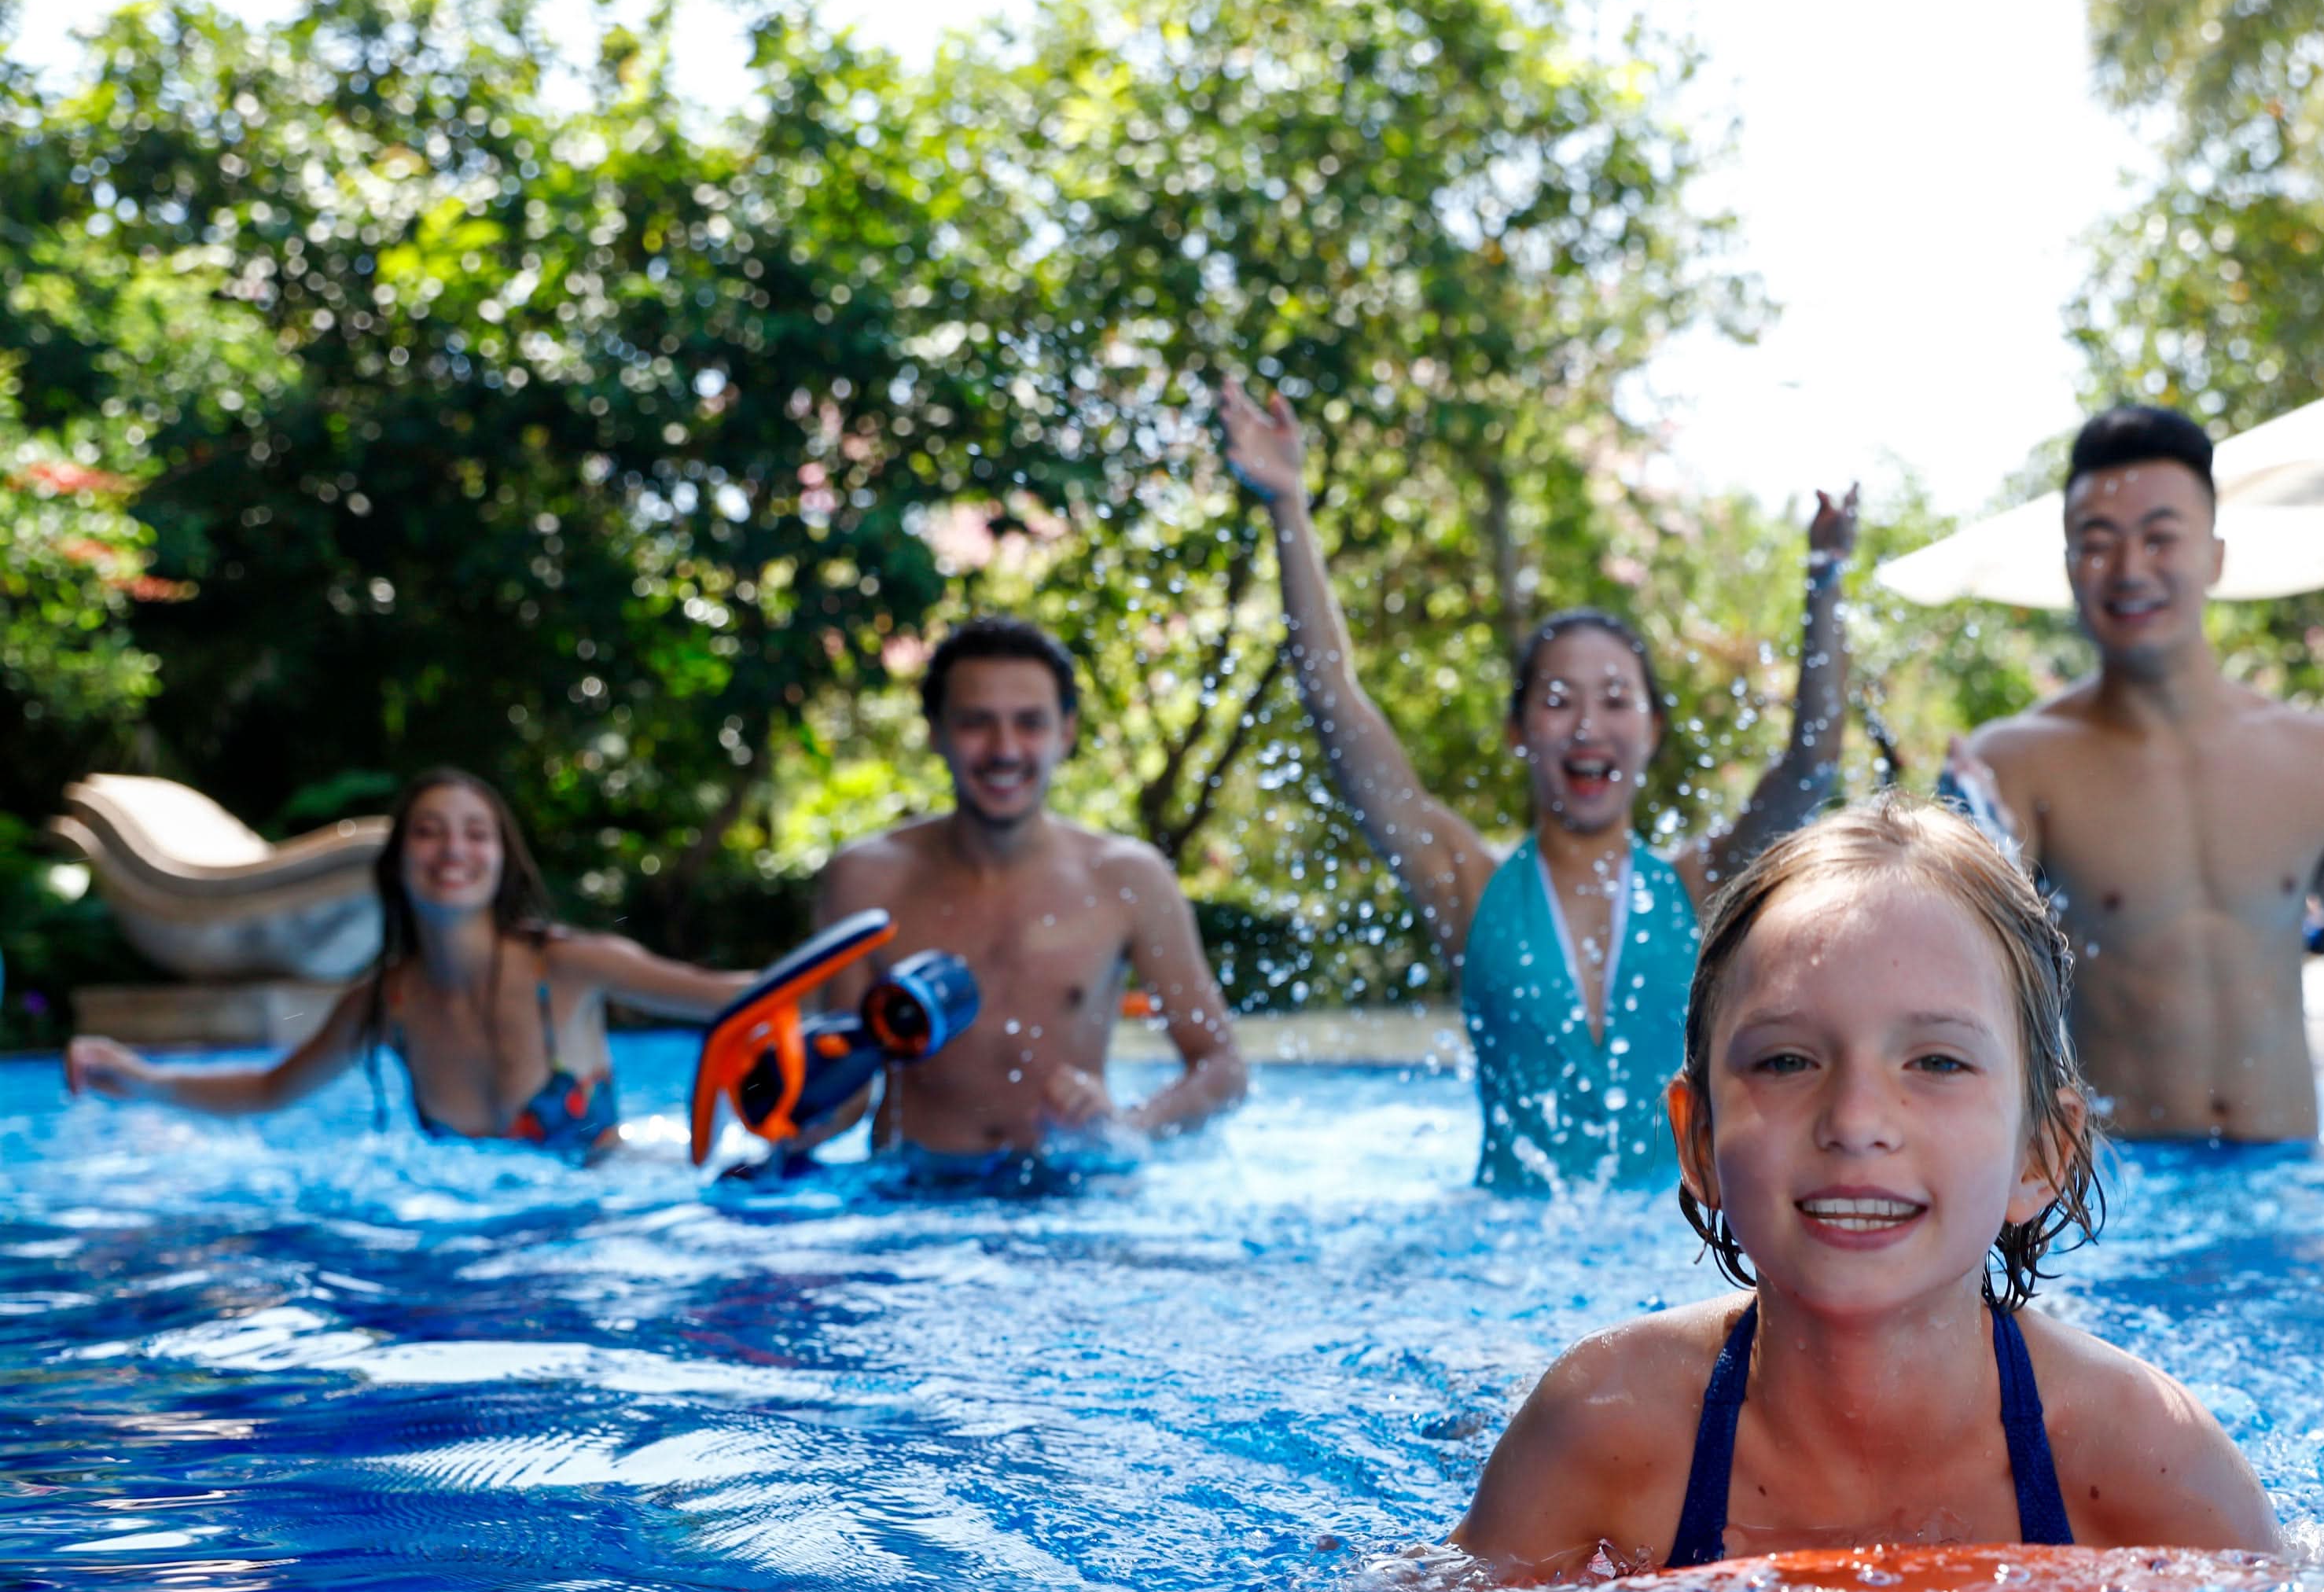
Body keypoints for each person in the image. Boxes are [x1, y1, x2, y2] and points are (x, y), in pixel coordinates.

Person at [1456, 797, 2280, 1580]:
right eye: (1786, 1061)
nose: (1855, 1120)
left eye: (1936, 1062)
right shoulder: (1602, 1431)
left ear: (2040, 1152)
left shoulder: (2148, 1464)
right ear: (1699, 1139)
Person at [1218, 376, 1856, 1193]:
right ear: (1519, 733)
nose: (1588, 726)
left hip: (1681, 1253)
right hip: (1503, 1252)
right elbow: (1335, 703)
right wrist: (1288, 510)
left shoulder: (1702, 893)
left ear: (1652, 732)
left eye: (1615, 700)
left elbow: (1810, 765)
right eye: (1558, 702)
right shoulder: (1470, 889)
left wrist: (1825, 584)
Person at [1943, 405, 2324, 1142]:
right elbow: (1954, 997)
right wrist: (1968, 864)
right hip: (2124, 1195)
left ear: (2215, 555)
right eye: (2097, 544)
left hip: (2292, 1187)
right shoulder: (2015, 763)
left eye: (2160, 538)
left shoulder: (2315, 758)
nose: (2130, 569)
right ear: (2070, 565)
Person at [63, 768, 745, 1153]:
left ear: (501, 860)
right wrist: (144, 1079)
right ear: (397, 863)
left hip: (610, 1223)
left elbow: (721, 995)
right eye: (429, 832)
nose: (453, 851)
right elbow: (271, 1091)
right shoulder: (383, 1003)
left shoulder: (568, 965)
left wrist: (847, 975)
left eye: (476, 834)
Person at [807, 615, 1245, 1171]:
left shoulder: (1129, 879)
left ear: (1066, 733)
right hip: (911, 1199)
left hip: (1067, 1196)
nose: (1005, 749)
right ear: (936, 732)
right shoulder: (867, 880)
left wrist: (1125, 1126)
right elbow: (844, 1090)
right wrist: (786, 1125)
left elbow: (1222, 1066)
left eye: (1030, 723)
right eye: (976, 723)